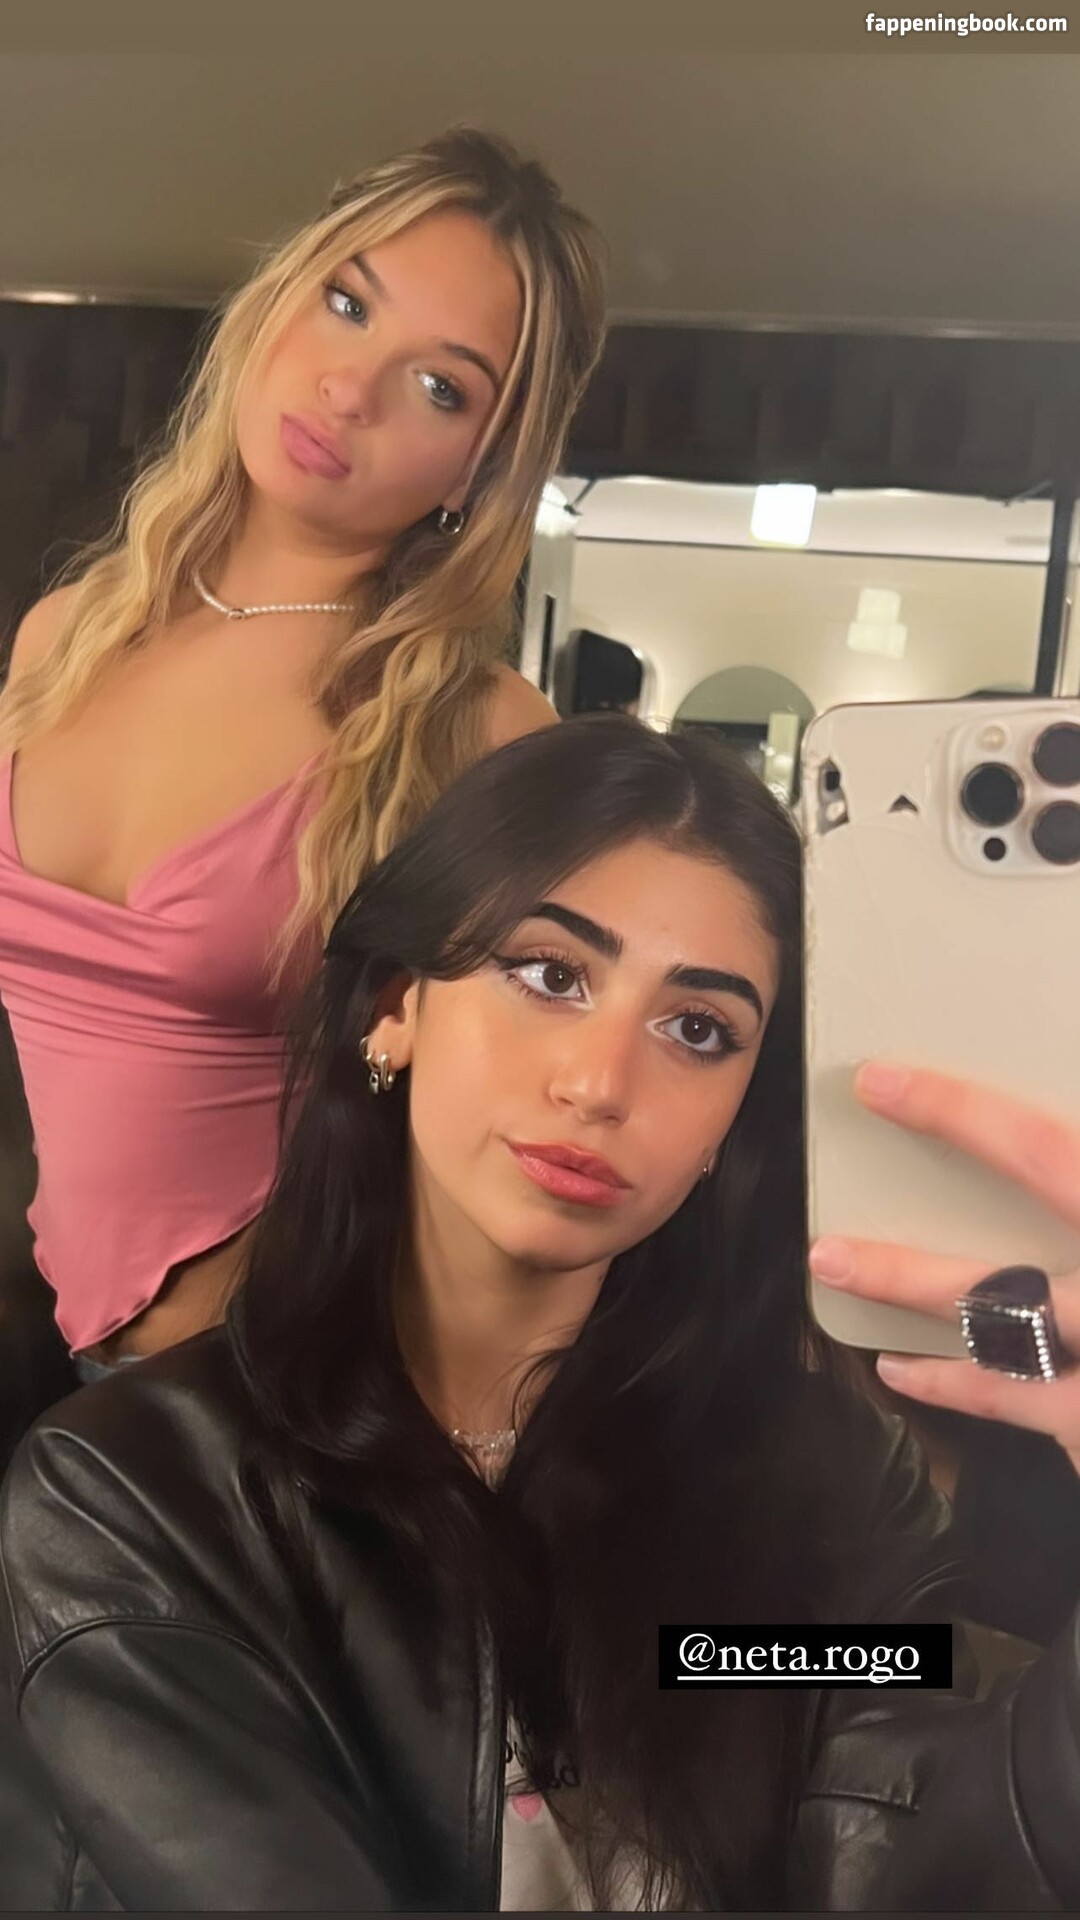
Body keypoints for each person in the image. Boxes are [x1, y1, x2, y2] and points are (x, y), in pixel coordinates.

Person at [2, 715, 1079, 1912]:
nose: (601, 1084)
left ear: (732, 1128)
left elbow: (922, 1835)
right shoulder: (136, 1496)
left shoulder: (826, 1478)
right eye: (551, 975)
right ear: (396, 1006)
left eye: (699, 1030)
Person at [0, 127, 605, 1391]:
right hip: (55, 1342)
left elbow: (551, 1107)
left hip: (282, 1390)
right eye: (347, 303)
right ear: (279, 296)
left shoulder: (477, 728)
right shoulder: (66, 633)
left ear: (483, 469)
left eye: (440, 386)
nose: (349, 390)